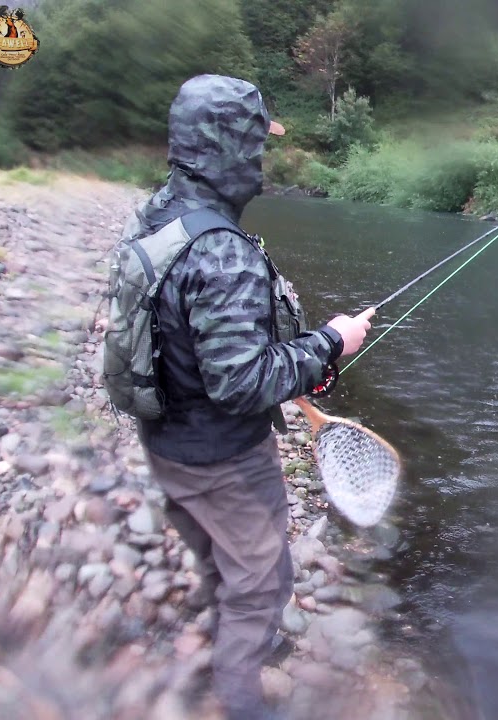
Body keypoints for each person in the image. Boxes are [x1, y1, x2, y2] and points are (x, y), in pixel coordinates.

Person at [119, 74, 374, 719]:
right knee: (262, 584)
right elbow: (241, 385)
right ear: (228, 148)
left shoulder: (157, 216)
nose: (263, 158)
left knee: (214, 551)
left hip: (166, 443)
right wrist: (331, 342)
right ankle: (239, 697)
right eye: (257, 144)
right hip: (223, 460)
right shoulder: (222, 253)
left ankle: (223, 622)